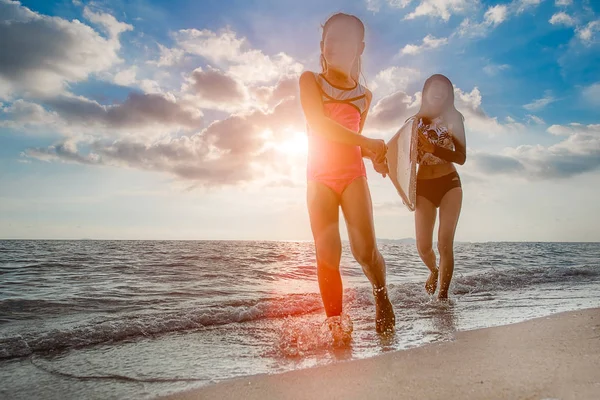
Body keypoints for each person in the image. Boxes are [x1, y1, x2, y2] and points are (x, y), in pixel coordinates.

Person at [298, 12, 396, 334]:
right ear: (322, 45)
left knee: (364, 251)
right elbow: (320, 125)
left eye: (345, 40)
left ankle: (381, 293)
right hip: (319, 177)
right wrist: (367, 142)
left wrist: (377, 157)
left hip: (353, 174)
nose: (336, 45)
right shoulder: (310, 81)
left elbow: (356, 143)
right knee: (328, 252)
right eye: (331, 39)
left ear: (360, 47)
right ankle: (336, 325)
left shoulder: (364, 97)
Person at [411, 74, 467, 300]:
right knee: (423, 247)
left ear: (448, 95)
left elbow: (461, 157)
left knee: (445, 242)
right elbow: (403, 157)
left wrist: (434, 149)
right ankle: (434, 270)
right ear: (425, 90)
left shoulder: (454, 119)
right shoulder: (414, 122)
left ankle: (442, 298)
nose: (438, 91)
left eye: (444, 88)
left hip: (449, 183)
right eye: (434, 86)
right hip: (423, 185)